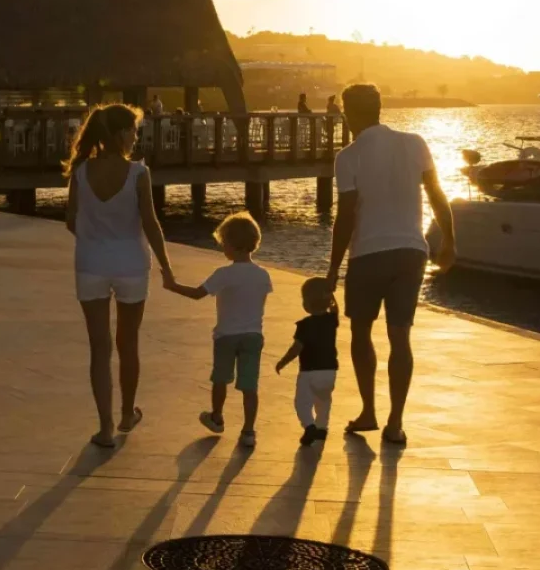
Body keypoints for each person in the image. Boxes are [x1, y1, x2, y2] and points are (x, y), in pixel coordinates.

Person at [325, 83, 454, 445]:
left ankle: (368, 411)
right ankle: (395, 423)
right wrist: (450, 242)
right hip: (412, 251)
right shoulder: (415, 143)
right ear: (380, 108)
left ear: (349, 114)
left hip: (368, 254)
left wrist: (333, 269)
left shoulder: (348, 156)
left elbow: (346, 215)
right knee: (400, 335)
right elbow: (437, 194)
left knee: (361, 332)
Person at [65, 103, 176, 448]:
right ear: (120, 134)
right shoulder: (138, 174)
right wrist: (167, 267)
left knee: (99, 348)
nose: (135, 136)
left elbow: (71, 220)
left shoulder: (81, 171)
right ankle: (128, 413)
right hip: (130, 263)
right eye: (133, 130)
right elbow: (150, 223)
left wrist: (96, 237)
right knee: (128, 343)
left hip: (91, 263)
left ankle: (105, 427)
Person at [164, 212, 272, 449]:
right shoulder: (263, 275)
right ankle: (248, 431)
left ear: (230, 246)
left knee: (220, 379)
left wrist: (172, 286)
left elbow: (197, 294)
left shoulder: (223, 274)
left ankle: (217, 417)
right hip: (253, 336)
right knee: (249, 385)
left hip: (226, 336)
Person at [274, 278, 340, 446]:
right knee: (324, 400)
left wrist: (283, 361)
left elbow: (296, 348)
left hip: (309, 371)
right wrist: (331, 295)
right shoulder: (331, 321)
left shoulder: (304, 326)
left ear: (307, 304)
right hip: (329, 370)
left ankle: (309, 426)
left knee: (302, 402)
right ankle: (322, 428)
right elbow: (335, 310)